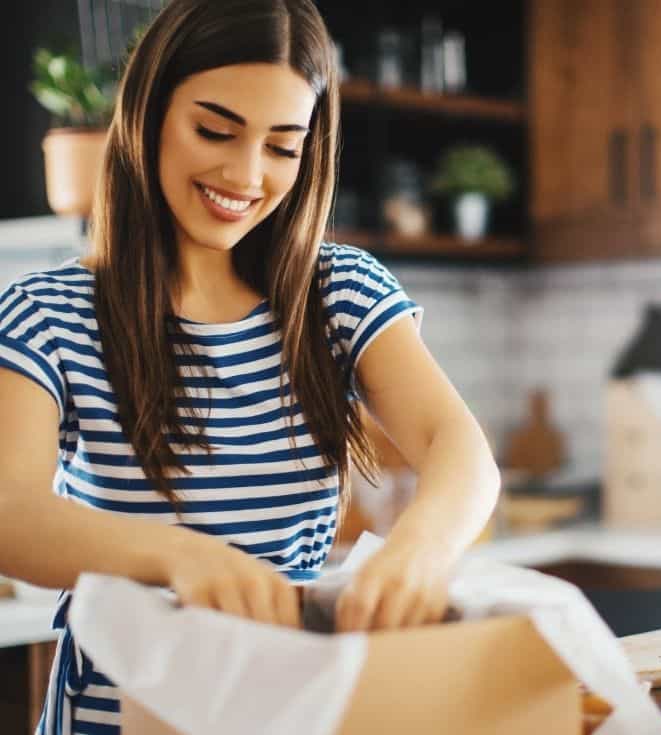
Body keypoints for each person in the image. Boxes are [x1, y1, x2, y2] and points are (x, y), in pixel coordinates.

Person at [0, 1, 500, 733]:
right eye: (214, 130)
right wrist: (178, 556)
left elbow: (459, 452)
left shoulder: (339, 294)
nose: (246, 173)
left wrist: (418, 549)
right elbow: (11, 514)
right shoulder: (50, 313)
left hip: (282, 708)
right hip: (115, 714)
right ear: (147, 114)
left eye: (282, 146)